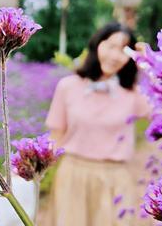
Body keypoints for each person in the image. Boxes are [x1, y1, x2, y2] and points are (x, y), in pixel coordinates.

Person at [45, 22, 152, 226]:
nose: (114, 56)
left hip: (115, 178)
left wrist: (151, 66)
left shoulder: (133, 95)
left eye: (123, 50)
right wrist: (27, 166)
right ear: (97, 44)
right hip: (73, 174)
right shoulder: (68, 86)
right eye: (111, 46)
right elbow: (56, 136)